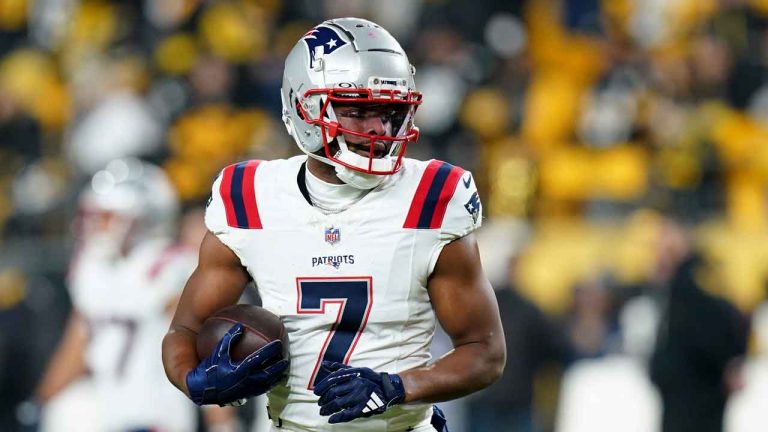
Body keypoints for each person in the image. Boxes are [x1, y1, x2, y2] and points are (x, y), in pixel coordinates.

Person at [162, 17, 506, 431]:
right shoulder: (251, 196)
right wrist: (195, 380)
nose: (379, 128)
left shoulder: (432, 197)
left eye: (389, 112)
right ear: (303, 109)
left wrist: (397, 387)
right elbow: (184, 330)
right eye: (357, 111)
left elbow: (485, 352)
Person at [35, 158, 237, 432]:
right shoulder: (94, 269)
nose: (97, 226)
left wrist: (221, 421)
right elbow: (77, 347)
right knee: (70, 409)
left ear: (142, 218)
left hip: (156, 419)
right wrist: (39, 403)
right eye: (94, 216)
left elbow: (204, 345)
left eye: (107, 216)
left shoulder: (167, 267)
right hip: (109, 417)